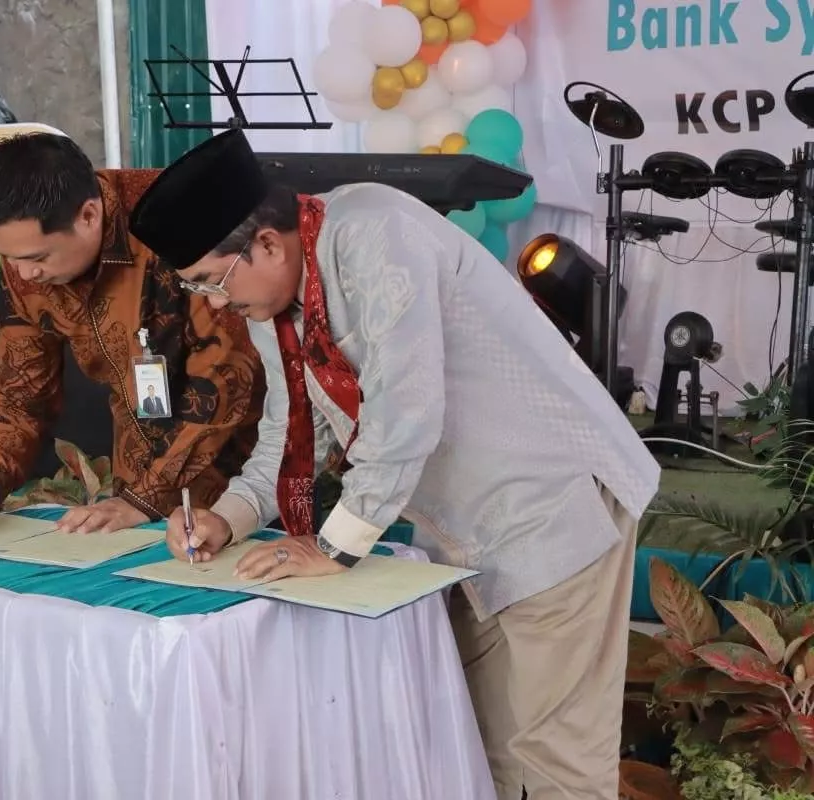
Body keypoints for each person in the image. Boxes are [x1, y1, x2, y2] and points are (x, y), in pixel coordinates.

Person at [127, 129, 660, 800]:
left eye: (211, 280)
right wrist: (226, 519)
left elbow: (406, 414)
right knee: (477, 748)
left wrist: (333, 548)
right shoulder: (273, 302)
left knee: (560, 764)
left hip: (553, 505)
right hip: (466, 531)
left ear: (266, 244)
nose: (213, 302)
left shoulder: (375, 233)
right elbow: (289, 433)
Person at [0, 132, 264, 537]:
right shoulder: (25, 261)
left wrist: (144, 499)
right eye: (7, 257)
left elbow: (228, 378)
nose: (24, 274)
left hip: (246, 478)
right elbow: (21, 393)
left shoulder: (172, 218)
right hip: (133, 497)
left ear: (89, 216)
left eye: (37, 257)